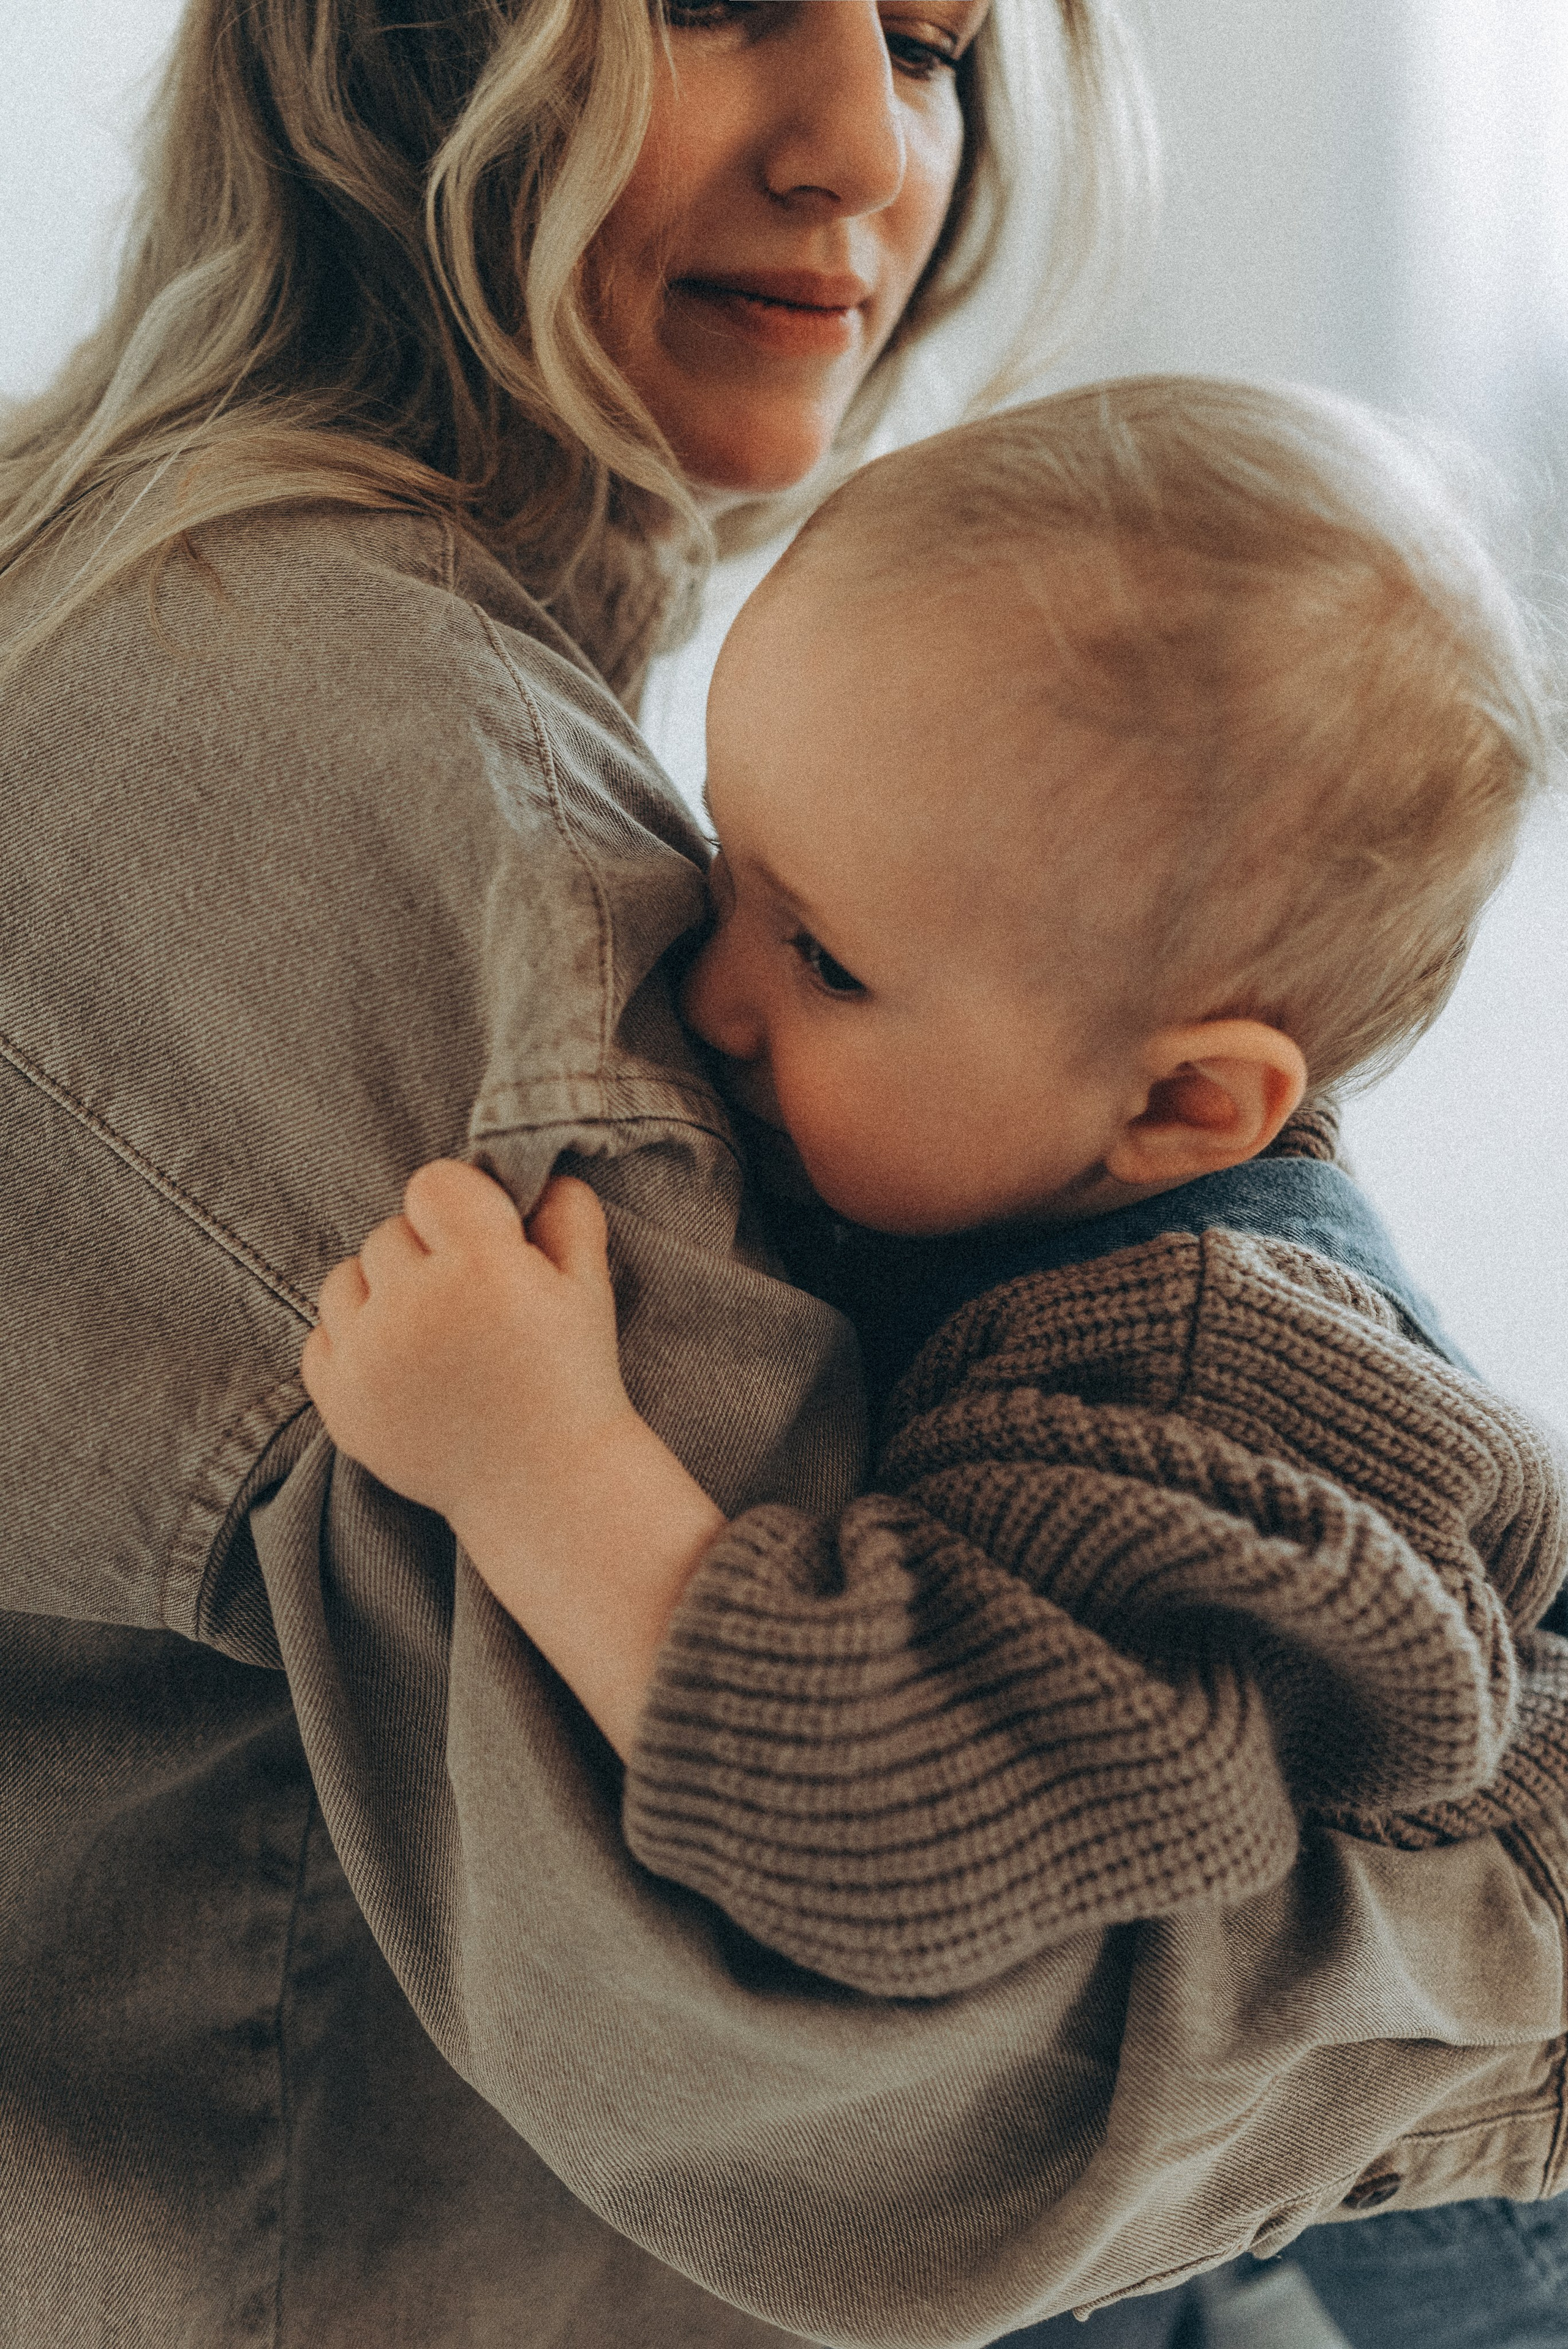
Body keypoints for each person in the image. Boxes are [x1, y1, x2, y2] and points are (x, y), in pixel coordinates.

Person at [0, 3, 1564, 2345]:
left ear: (1199, 1110)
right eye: (723, 2)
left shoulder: (137, 588)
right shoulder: (406, 792)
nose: (867, 147)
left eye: (931, 42)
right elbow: (921, 2037)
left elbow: (945, 1787)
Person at [300, 372, 1568, 1991]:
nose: (712, 991)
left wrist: (533, 1459)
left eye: (822, 957)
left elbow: (889, 1823)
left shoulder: (1200, 1391)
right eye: (724, 854)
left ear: (1182, 1101)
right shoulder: (1025, 1155)